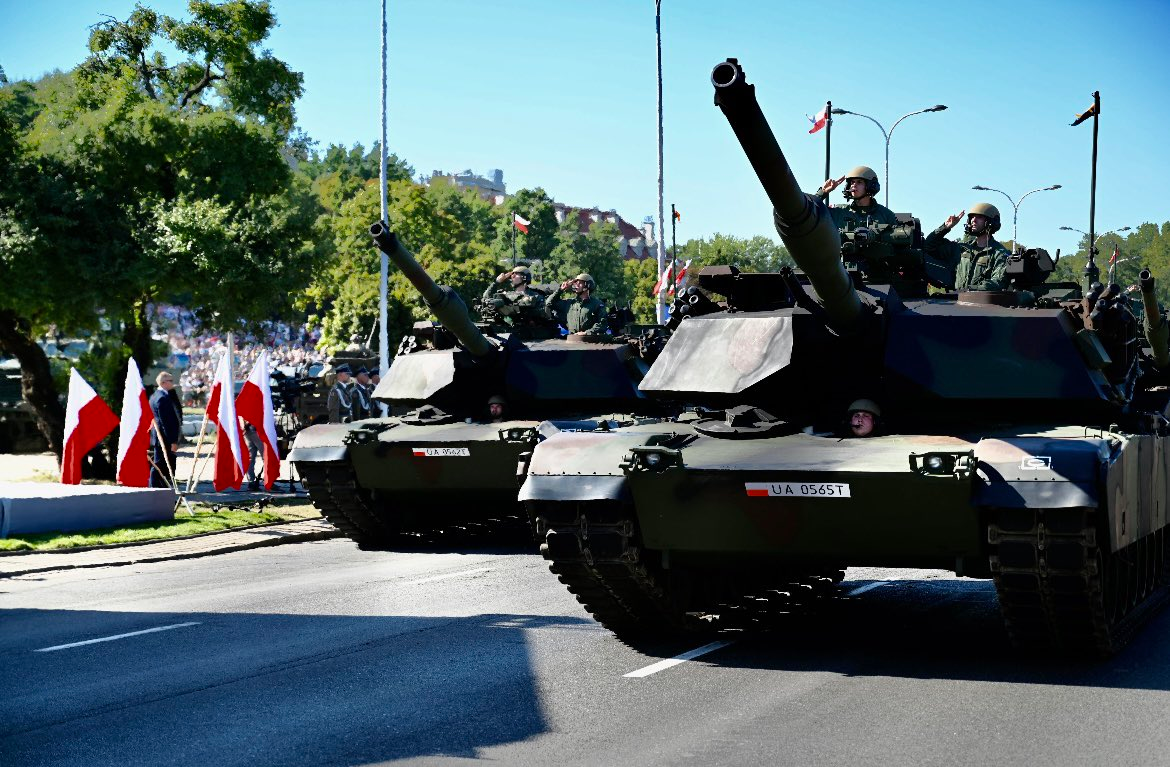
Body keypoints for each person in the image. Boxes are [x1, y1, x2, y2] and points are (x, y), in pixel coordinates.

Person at [924, 203, 1011, 291]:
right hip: (956, 301)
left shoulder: (999, 254)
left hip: (982, 302)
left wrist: (970, 289)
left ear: (990, 222)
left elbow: (998, 282)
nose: (973, 220)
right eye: (972, 217)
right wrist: (945, 227)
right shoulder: (961, 249)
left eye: (979, 217)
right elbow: (929, 246)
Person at [814, 165, 900, 229]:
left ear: (870, 186)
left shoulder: (886, 215)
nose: (854, 185)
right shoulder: (839, 212)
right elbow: (811, 210)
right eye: (852, 182)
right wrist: (824, 192)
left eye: (859, 182)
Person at [149, 371, 182, 488]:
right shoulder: (162, 398)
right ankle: (154, 488)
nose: (173, 384)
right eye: (170, 381)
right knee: (159, 464)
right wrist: (173, 441)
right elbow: (166, 423)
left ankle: (161, 487)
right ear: (163, 383)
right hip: (164, 438)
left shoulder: (155, 396)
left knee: (162, 465)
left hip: (160, 437)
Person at [243, 422, 264, 491]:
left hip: (247, 429)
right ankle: (270, 481)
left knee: (250, 458)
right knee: (266, 457)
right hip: (257, 428)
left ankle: (251, 482)